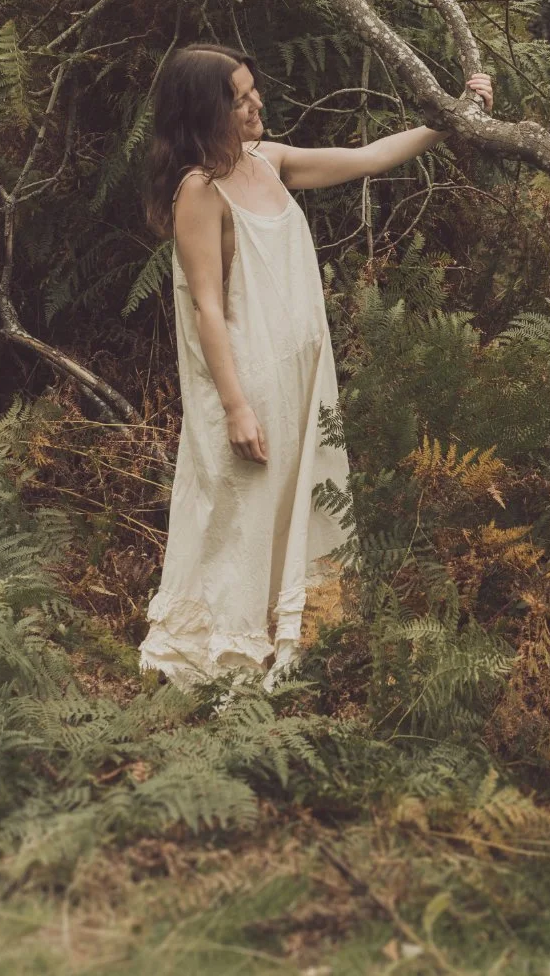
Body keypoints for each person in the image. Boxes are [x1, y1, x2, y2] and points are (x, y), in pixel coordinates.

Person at [141, 45, 494, 689]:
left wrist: (453, 115)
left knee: (293, 500)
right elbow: (208, 310)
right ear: (206, 111)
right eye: (240, 97)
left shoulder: (269, 162)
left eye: (254, 91)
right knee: (242, 508)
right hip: (247, 379)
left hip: (301, 373)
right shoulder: (200, 191)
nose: (256, 104)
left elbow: (367, 158)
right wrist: (236, 406)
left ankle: (292, 642)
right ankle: (226, 662)